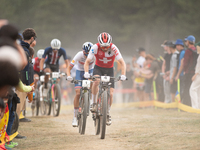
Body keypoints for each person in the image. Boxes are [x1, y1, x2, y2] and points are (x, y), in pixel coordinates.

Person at [84, 32, 126, 125]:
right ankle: (94, 103)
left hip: (110, 69)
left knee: (111, 93)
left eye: (107, 46)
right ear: (99, 44)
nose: (105, 48)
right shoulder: (95, 47)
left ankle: (107, 113)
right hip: (98, 68)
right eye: (103, 46)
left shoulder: (114, 47)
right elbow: (87, 61)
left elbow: (122, 62)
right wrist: (86, 73)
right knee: (96, 82)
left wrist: (123, 74)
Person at [66, 42, 94, 127]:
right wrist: (68, 75)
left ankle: (91, 101)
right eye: (85, 54)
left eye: (89, 54)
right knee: (78, 92)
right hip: (79, 72)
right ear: (83, 52)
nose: (86, 56)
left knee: (92, 83)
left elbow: (98, 67)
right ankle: (74, 117)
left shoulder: (94, 55)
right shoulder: (79, 54)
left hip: (90, 71)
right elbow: (69, 67)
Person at [182, 35, 196, 106]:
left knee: (187, 89)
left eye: (186, 41)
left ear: (188, 42)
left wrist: (185, 70)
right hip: (195, 73)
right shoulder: (196, 50)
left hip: (188, 73)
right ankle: (194, 105)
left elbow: (185, 63)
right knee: (194, 90)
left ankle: (186, 104)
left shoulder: (188, 51)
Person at [190, 42, 200, 109]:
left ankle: (195, 107)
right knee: (198, 91)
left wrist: (195, 74)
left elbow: (199, 66)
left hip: (198, 75)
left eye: (197, 46)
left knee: (192, 89)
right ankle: (198, 107)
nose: (196, 48)